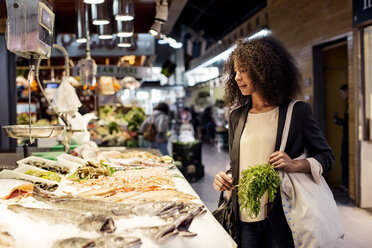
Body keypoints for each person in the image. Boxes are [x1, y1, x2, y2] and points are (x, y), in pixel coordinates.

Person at [213, 35, 334, 248]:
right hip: (243, 215)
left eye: (243, 70)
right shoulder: (237, 116)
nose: (237, 77)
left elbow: (326, 157)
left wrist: (295, 164)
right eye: (235, 71)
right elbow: (237, 162)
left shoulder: (296, 112)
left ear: (263, 70)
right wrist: (226, 179)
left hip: (282, 215)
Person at [333, 84, 349, 190]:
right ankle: (345, 184)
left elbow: (348, 123)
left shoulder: (350, 104)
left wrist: (338, 121)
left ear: (347, 91)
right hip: (346, 135)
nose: (341, 95)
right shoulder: (348, 104)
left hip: (348, 137)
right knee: (344, 159)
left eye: (341, 93)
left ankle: (345, 184)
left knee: (345, 159)